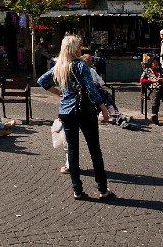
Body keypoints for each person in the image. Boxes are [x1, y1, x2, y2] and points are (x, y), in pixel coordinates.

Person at [38, 35, 114, 201]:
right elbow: (91, 89)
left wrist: (59, 93)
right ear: (74, 48)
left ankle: (77, 190)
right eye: (79, 46)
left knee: (72, 150)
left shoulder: (59, 66)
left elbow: (42, 80)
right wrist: (104, 108)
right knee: (95, 149)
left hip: (66, 111)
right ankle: (102, 188)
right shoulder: (81, 65)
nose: (82, 49)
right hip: (84, 111)